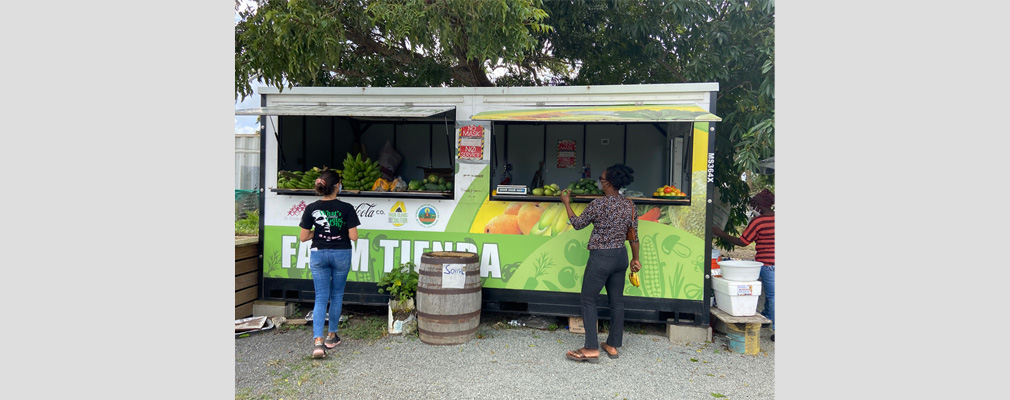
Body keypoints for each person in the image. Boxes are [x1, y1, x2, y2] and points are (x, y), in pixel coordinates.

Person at [560, 164, 641, 363]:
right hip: (621, 257)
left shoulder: (599, 204)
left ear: (609, 183)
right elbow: (633, 237)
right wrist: (635, 258)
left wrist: (566, 203)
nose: (599, 181)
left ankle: (590, 348)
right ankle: (612, 345)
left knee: (588, 299)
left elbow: (578, 225)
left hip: (601, 258)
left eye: (601, 179)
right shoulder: (629, 205)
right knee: (617, 302)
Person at [299, 169, 361, 358]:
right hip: (341, 253)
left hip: (318, 254)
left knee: (320, 297)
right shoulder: (347, 208)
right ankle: (331, 336)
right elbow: (354, 236)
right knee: (336, 295)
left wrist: (317, 234)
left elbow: (303, 237)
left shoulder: (311, 208)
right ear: (337, 186)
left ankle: (318, 342)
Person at [712, 189, 775, 341]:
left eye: (755, 206)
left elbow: (743, 242)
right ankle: (767, 315)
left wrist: (720, 233)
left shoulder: (758, 222)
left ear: (759, 206)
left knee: (773, 295)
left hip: (767, 264)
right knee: (772, 294)